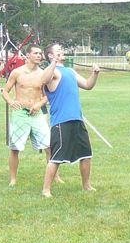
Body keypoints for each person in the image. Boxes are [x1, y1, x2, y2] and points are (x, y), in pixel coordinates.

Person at [40, 43, 100, 198]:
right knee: (56, 158)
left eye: (61, 50)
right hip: (61, 122)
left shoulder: (70, 71)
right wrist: (54, 62)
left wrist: (95, 74)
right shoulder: (53, 73)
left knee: (86, 155)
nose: (61, 51)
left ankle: (86, 185)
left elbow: (87, 85)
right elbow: (43, 79)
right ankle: (46, 190)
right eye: (57, 50)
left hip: (77, 119)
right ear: (50, 55)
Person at [2, 45, 52, 186]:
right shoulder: (17, 72)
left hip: (36, 114)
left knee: (49, 146)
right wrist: (11, 102)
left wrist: (38, 105)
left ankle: (55, 176)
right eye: (36, 53)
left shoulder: (43, 74)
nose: (39, 56)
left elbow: (47, 95)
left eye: (40, 53)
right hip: (20, 114)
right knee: (15, 148)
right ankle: (13, 179)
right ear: (28, 55)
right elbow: (5, 91)